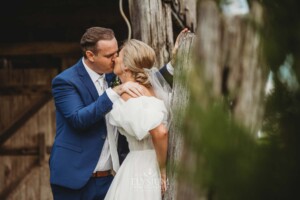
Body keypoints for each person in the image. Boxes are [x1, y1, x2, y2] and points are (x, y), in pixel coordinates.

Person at [49, 27, 176, 200]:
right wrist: (115, 92)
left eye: (117, 53)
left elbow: (142, 78)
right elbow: (78, 119)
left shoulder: (115, 75)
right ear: (91, 55)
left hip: (109, 178)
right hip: (74, 178)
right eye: (109, 56)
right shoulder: (66, 81)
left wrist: (172, 66)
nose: (115, 58)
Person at [104, 39, 170, 200]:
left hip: (141, 167)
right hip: (149, 163)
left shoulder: (130, 94)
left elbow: (160, 132)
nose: (115, 58)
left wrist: (162, 171)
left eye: (118, 55)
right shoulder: (152, 89)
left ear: (126, 65)